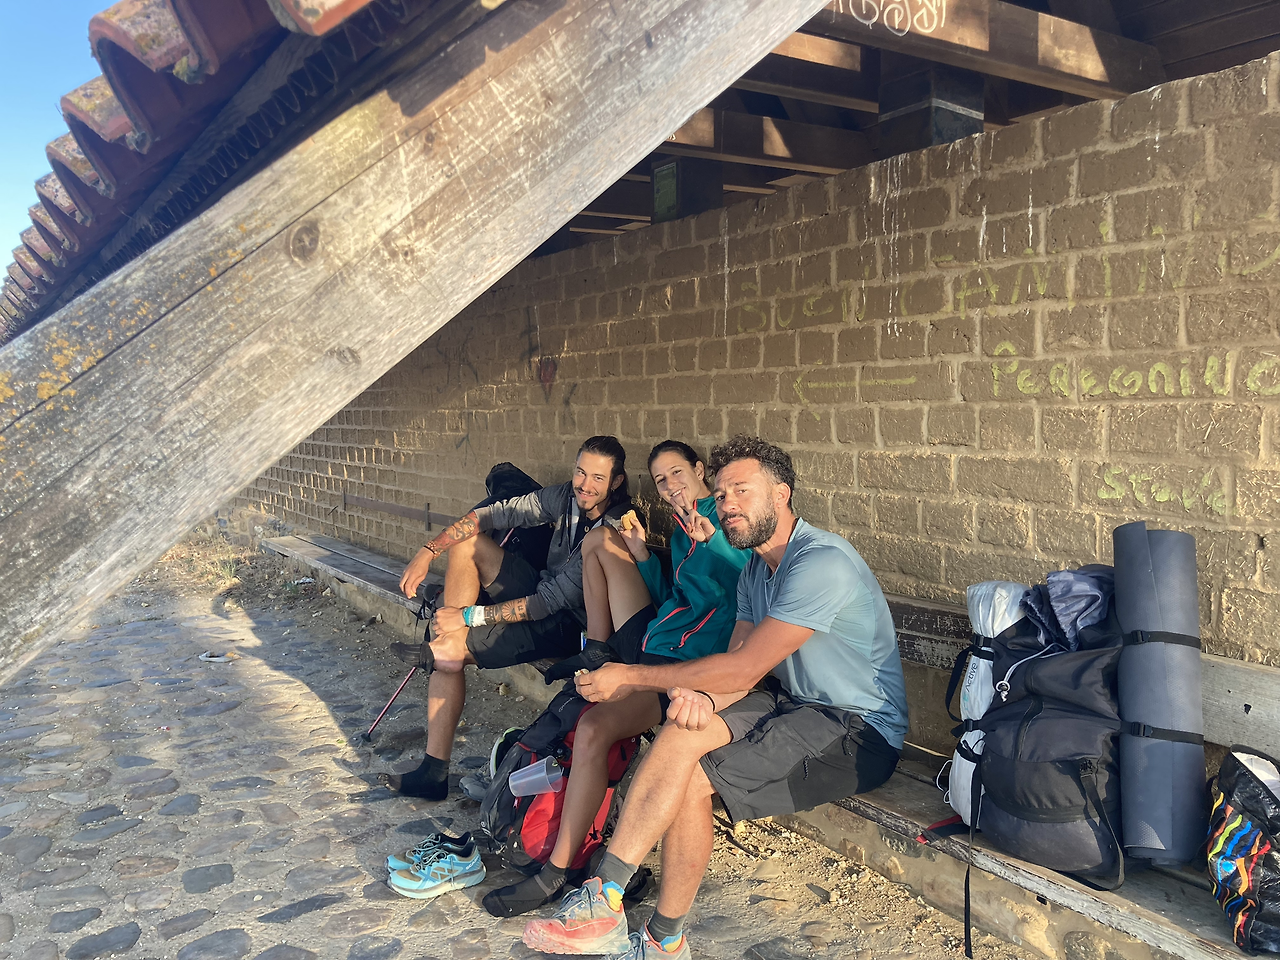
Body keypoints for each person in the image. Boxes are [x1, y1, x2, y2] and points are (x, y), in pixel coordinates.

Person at [522, 435, 909, 960]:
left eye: (742, 491)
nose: (727, 504)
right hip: (791, 701)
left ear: (781, 495)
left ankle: (662, 940)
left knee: (692, 779)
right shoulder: (754, 570)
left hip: (857, 727)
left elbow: (747, 667)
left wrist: (631, 676)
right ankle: (605, 900)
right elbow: (738, 662)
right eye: (722, 494)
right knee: (685, 729)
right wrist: (704, 698)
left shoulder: (820, 562)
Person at [483, 440, 748, 917]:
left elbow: (751, 582)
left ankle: (562, 870)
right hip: (659, 647)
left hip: (690, 669)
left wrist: (713, 544)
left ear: (700, 470)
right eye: (660, 479)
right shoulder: (684, 528)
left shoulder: (726, 523)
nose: (670, 485)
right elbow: (674, 596)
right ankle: (557, 869)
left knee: (594, 725)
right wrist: (643, 554)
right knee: (587, 724)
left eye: (677, 473)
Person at [387, 436, 634, 801]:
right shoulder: (566, 496)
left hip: (571, 626)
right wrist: (428, 551)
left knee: (448, 652)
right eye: (581, 472)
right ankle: (446, 645)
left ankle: (434, 769)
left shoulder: (614, 527)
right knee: (467, 543)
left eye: (598, 477)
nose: (585, 484)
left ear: (616, 481)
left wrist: (468, 617)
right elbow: (495, 513)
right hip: (540, 593)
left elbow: (549, 602)